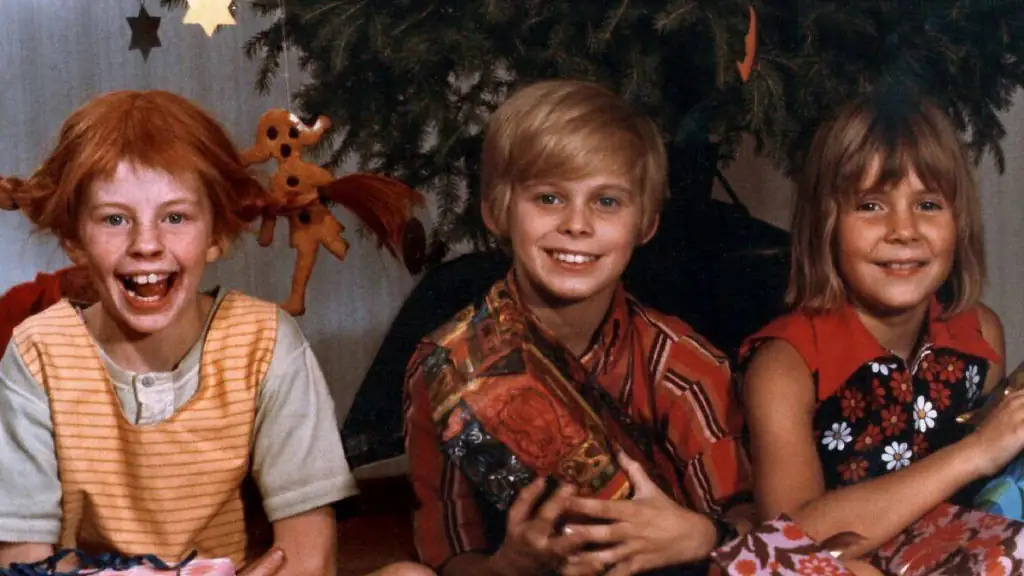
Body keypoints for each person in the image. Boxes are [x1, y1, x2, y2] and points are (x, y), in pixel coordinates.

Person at [0, 90, 432, 576]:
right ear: (74, 240)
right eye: (115, 219)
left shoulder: (264, 341)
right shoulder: (38, 352)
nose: (146, 244)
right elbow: (23, 564)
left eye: (175, 217)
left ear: (217, 234)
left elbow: (310, 556)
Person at [404, 79, 751, 576]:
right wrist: (509, 566)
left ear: (646, 223)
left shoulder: (682, 366)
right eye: (549, 198)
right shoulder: (443, 366)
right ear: (497, 210)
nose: (577, 224)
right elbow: (451, 555)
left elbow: (752, 524)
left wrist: (699, 535)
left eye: (607, 202)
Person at [740, 89, 1024, 570]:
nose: (903, 230)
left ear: (959, 223)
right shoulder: (785, 366)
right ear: (826, 225)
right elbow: (787, 546)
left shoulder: (979, 335)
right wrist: (978, 451)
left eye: (928, 204)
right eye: (871, 206)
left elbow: (988, 504)